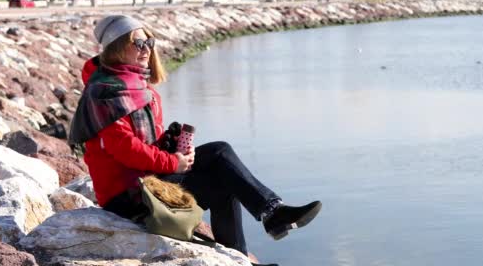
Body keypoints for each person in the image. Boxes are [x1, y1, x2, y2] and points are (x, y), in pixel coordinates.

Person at [69, 15, 321, 266]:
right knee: (220, 152)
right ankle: (272, 213)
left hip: (146, 181)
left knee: (226, 181)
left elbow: (143, 146)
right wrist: (173, 163)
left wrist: (170, 144)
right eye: (138, 43)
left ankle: (241, 257)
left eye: (150, 42)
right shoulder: (103, 92)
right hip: (128, 197)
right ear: (116, 47)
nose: (146, 49)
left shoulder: (137, 86)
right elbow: (124, 148)